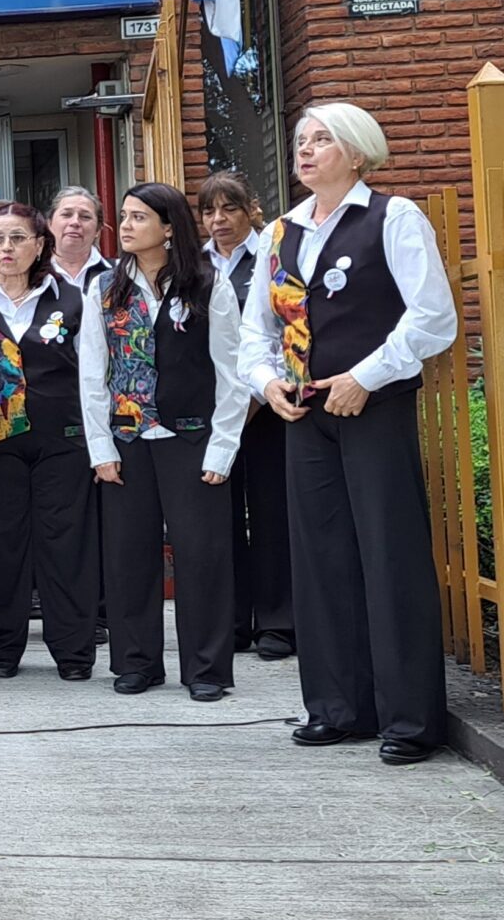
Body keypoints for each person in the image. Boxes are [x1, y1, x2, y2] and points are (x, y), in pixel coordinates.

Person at [239, 103, 458, 765]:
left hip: (375, 407)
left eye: (322, 139)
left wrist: (366, 375)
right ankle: (337, 707)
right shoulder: (281, 233)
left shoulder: (393, 219)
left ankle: (409, 719)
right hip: (306, 415)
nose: (306, 149)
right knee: (321, 560)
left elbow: (432, 318)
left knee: (390, 558)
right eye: (301, 139)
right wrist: (265, 382)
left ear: (358, 153)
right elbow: (257, 330)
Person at [80, 183, 250, 701]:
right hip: (127, 438)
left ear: (169, 227)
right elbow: (93, 372)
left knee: (202, 554)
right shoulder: (106, 287)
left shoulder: (207, 284)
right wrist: (101, 447)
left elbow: (232, 372)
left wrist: (223, 447)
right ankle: (137, 662)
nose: (125, 226)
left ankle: (207, 669)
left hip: (192, 438)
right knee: (129, 554)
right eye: (124, 217)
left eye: (138, 217)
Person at [0, 203, 98, 681]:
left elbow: (91, 374)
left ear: (41, 245)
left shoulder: (73, 299)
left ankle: (75, 652)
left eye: (19, 238)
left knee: (66, 545)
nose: (7, 248)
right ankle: (2, 649)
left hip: (62, 439)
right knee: (0, 548)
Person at [198, 170, 292, 661]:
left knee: (272, 512)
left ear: (250, 209)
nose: (218, 220)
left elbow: (281, 324)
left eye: (228, 208)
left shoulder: (273, 254)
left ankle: (277, 622)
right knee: (222, 517)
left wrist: (258, 392)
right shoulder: (195, 266)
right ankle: (231, 621)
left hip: (270, 406)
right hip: (217, 413)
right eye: (209, 211)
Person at [47, 187, 112, 291]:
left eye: (85, 217)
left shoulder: (120, 274)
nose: (75, 222)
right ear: (49, 223)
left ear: (98, 230)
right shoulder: (30, 276)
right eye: (66, 214)